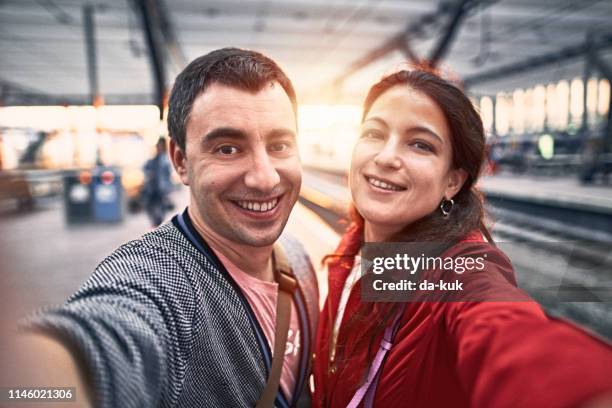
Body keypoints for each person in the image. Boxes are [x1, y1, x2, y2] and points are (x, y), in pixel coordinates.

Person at [17, 48, 319, 408]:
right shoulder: (162, 283)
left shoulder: (298, 259)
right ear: (181, 161)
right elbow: (106, 340)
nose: (264, 177)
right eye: (227, 149)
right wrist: (32, 380)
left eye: (280, 145)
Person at [313, 68, 612, 408]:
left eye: (420, 144)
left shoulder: (460, 271)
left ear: (452, 182)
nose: (386, 157)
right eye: (374, 133)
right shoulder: (351, 252)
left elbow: (506, 332)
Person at [142, 137, 174, 227]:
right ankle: (156, 224)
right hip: (153, 188)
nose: (158, 148)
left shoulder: (166, 159)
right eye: (157, 146)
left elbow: (168, 174)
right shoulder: (154, 159)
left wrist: (168, 189)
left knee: (160, 209)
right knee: (150, 206)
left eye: (160, 146)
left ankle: (157, 225)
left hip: (161, 189)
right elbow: (145, 168)